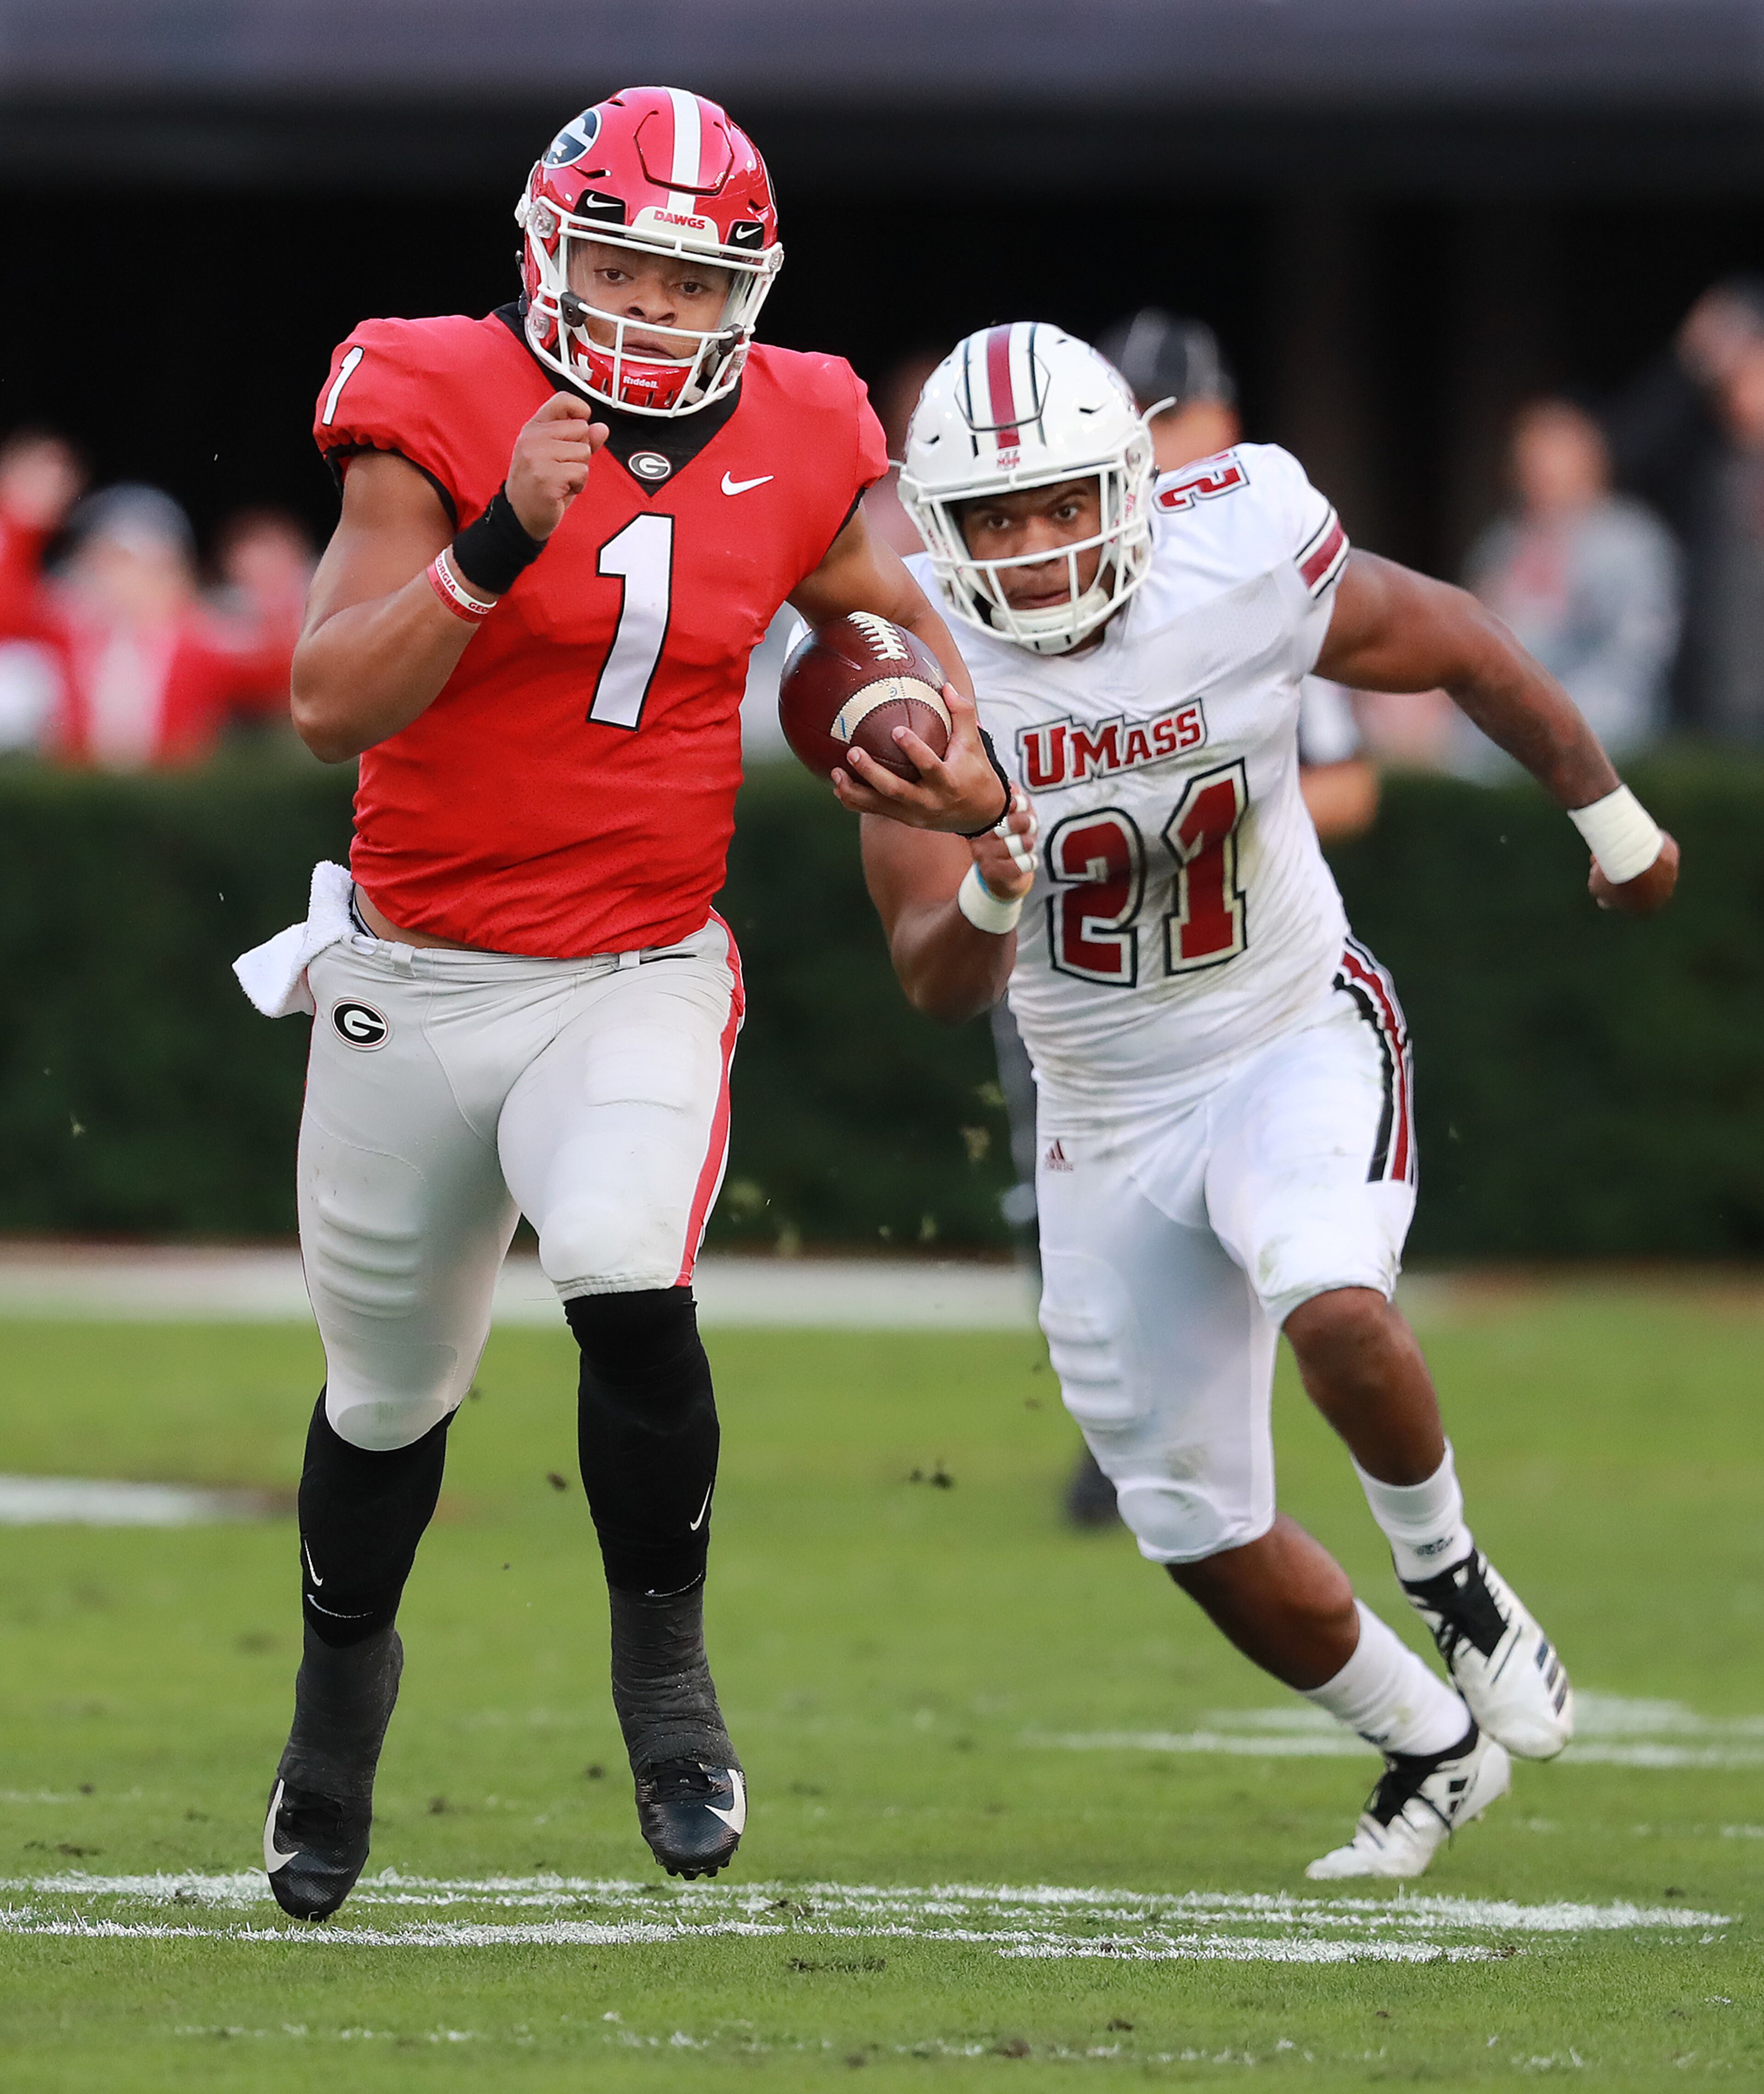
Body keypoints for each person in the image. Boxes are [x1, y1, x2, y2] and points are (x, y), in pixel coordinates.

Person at [234, 86, 1010, 1923]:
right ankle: (337, 1705)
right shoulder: (428, 391)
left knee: (619, 1267)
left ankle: (663, 1677)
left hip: (635, 964)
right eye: (622, 268)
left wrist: (932, 734)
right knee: (383, 1397)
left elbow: (877, 621)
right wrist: (493, 543)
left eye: (687, 279)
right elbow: (331, 700)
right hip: (413, 973)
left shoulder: (810, 416)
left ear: (740, 288)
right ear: (548, 254)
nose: (653, 311)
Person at [847, 322, 1677, 1879]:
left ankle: (1458, 1582)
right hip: (1104, 1104)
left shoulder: (1239, 553)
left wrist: (1611, 814)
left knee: (1331, 1295)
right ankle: (1427, 1743)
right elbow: (932, 978)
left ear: (1131, 481)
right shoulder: (907, 673)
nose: (1032, 549)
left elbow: (1461, 644)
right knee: (1189, 1517)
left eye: (1060, 503)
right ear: (935, 528)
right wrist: (996, 870)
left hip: (1289, 1024)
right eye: (994, 519)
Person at [1047, 312, 1377, 1525]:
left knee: (1256, 1199)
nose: (1154, 444)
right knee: (1074, 1200)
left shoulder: (1256, 559)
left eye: (1169, 416)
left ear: (1221, 421)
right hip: (1078, 955)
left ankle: (1205, 1434)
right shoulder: (1052, 580)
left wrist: (1194, 804)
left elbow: (1350, 776)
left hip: (1227, 957)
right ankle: (1128, 1431)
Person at [1455, 398, 1678, 773]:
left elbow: (1634, 668)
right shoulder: (1501, 544)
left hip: (1605, 737)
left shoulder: (1631, 543)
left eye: (1552, 461)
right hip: (1497, 736)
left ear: (1590, 462)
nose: (1538, 474)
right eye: (1529, 461)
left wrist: (1539, 718)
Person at [50, 486, 295, 768]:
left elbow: (282, 680)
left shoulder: (204, 638)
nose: (120, 581)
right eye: (105, 564)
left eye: (130, 564)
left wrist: (273, 596)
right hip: (83, 801)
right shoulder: (69, 633)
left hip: (173, 801)